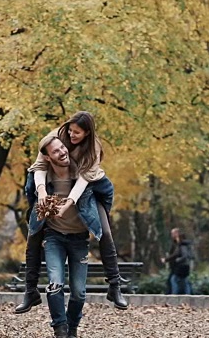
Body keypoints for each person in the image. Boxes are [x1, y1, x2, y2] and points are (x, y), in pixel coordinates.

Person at [15, 111, 128, 315]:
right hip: (53, 185)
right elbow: (40, 165)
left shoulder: (93, 148)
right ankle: (30, 291)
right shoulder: (55, 137)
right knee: (34, 230)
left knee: (105, 232)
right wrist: (41, 192)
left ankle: (115, 286)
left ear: (87, 134)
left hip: (91, 186)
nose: (72, 135)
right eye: (70, 130)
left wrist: (67, 204)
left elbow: (84, 181)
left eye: (77, 133)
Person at [28, 135, 97, 338]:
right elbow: (36, 176)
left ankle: (72, 327)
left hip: (79, 239)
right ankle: (60, 329)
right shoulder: (44, 175)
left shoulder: (81, 170)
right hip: (54, 237)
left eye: (62, 147)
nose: (63, 152)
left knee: (79, 292)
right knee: (55, 283)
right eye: (56, 151)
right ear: (48, 158)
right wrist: (41, 193)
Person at [161, 228, 193, 295]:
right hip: (182, 265)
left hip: (181, 265)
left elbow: (179, 254)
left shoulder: (182, 244)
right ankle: (187, 294)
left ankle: (174, 294)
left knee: (174, 280)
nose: (172, 235)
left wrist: (177, 260)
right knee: (184, 281)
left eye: (173, 234)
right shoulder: (180, 243)